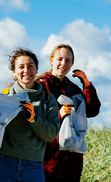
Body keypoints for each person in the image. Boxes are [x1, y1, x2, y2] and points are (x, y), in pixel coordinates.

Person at [0, 48, 60, 181]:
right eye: (21, 67)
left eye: (30, 66)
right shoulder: (3, 96)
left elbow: (50, 135)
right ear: (14, 72)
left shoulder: (48, 99)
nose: (26, 70)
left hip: (33, 166)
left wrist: (34, 119)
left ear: (37, 69)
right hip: (3, 163)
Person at [36, 44, 101, 181]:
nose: (63, 64)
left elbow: (91, 110)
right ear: (51, 60)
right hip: (48, 157)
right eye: (60, 59)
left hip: (71, 158)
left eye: (68, 60)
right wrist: (59, 114)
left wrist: (87, 84)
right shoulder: (41, 85)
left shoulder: (72, 88)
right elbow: (32, 117)